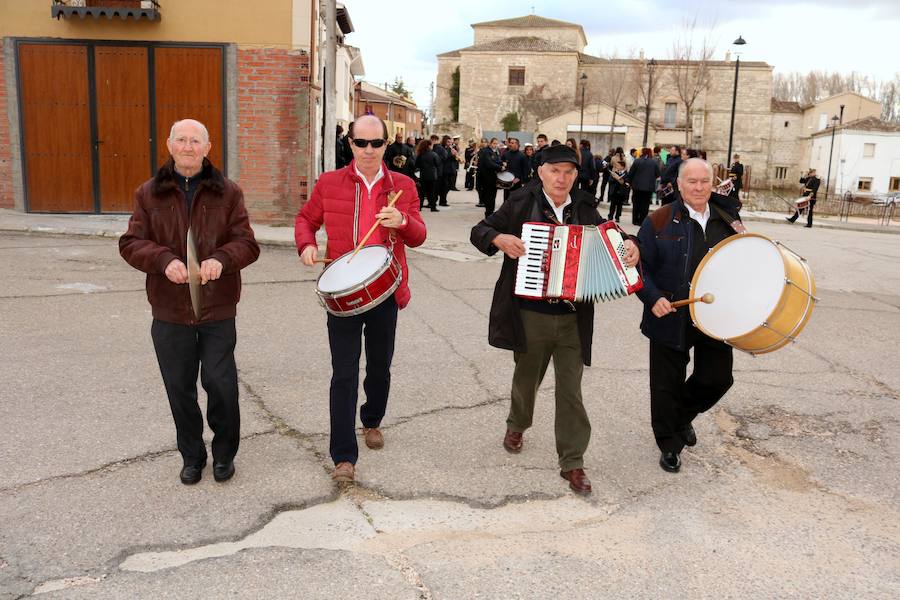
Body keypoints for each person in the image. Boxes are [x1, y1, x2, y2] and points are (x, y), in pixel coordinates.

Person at [470, 144, 639, 494]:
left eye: (568, 172)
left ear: (576, 175)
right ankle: (518, 422)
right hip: (531, 312)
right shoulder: (520, 202)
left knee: (571, 390)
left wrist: (631, 243)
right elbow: (480, 230)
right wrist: (499, 238)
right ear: (541, 172)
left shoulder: (585, 206)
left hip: (573, 316)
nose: (562, 178)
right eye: (554, 170)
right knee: (526, 377)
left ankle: (573, 462)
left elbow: (614, 237)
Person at [119, 118, 260, 485]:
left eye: (195, 141)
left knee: (220, 383)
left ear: (207, 148)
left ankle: (225, 454)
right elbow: (130, 243)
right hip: (169, 310)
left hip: (217, 308)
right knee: (179, 387)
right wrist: (164, 261)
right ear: (169, 145)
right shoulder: (148, 193)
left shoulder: (228, 193)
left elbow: (247, 243)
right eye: (181, 140)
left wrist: (222, 259)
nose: (187, 147)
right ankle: (192, 456)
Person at [295, 114, 427, 483]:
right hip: (343, 293)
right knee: (344, 371)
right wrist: (306, 246)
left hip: (385, 289)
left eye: (376, 143)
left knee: (379, 366)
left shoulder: (402, 185)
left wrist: (401, 221)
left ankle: (372, 420)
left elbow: (418, 236)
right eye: (361, 143)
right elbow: (305, 220)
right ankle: (343, 457)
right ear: (349, 144)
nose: (368, 150)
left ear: (387, 145)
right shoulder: (329, 182)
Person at [635, 158, 743, 473]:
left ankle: (681, 416)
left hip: (714, 315)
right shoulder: (658, 220)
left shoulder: (728, 217)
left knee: (718, 378)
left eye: (704, 181)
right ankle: (669, 444)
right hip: (670, 315)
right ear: (679, 185)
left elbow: (743, 261)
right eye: (691, 181)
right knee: (666, 385)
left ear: (713, 183)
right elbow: (637, 266)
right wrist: (652, 298)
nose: (698, 187)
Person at [627, 147, 661, 226]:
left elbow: (631, 173)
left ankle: (635, 220)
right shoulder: (653, 162)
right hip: (648, 187)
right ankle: (642, 221)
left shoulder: (637, 161)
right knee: (645, 204)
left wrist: (629, 182)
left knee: (636, 203)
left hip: (637, 186)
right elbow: (658, 174)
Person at [476, 137, 503, 216]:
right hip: (487, 178)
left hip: (493, 178)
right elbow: (489, 163)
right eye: (494, 143)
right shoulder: (486, 151)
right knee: (489, 196)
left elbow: (496, 160)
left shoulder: (495, 151)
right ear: (490, 143)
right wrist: (500, 167)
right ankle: (488, 213)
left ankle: (491, 211)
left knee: (492, 196)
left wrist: (502, 163)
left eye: (496, 143)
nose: (495, 145)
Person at [415, 139, 442, 212]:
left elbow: (417, 165)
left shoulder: (420, 154)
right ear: (429, 145)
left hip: (423, 175)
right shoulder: (433, 154)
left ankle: (419, 207)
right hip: (432, 176)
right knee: (432, 192)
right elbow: (438, 163)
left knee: (421, 193)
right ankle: (433, 207)